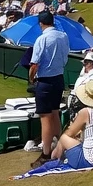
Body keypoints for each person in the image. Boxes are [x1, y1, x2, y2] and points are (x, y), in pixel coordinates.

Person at [29, 11, 70, 167]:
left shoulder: (42, 39)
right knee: (54, 113)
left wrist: (31, 78)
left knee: (45, 117)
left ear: (41, 24)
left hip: (45, 81)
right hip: (58, 78)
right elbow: (65, 56)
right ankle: (60, 146)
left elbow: (34, 64)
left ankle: (46, 154)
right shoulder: (63, 36)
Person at [46, 80, 93, 169]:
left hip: (90, 160)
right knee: (75, 139)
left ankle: (54, 159)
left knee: (64, 138)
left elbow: (70, 133)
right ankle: (56, 156)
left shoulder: (86, 112)